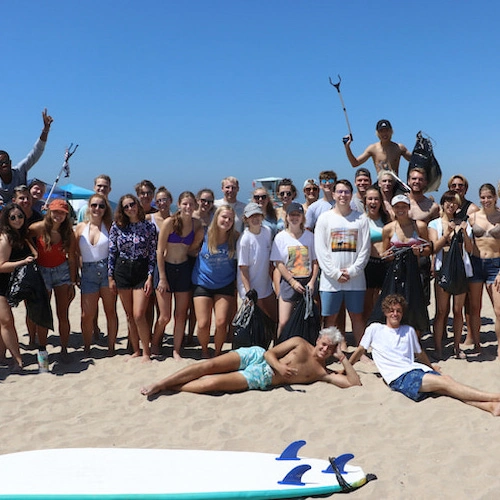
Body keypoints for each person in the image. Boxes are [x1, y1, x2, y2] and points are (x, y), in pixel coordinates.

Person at [350, 294, 500, 416]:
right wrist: (347, 367)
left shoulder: (408, 330)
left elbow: (420, 354)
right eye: (391, 310)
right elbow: (360, 350)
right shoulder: (375, 329)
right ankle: (494, 396)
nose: (395, 314)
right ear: (385, 312)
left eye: (398, 311)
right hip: (400, 377)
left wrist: (430, 367)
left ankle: (491, 407)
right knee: (446, 382)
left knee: (447, 388)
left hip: (415, 369)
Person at [140, 327, 361, 396]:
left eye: (330, 348)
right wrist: (280, 367)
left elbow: (354, 383)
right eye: (323, 344)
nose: (324, 349)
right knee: (208, 365)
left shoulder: (322, 372)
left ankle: (173, 386)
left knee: (212, 383)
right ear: (318, 339)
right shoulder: (300, 343)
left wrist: (343, 358)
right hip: (258, 356)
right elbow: (269, 354)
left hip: (262, 378)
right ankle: (161, 383)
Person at [314, 180, 371, 345]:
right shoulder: (325, 218)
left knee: (357, 316)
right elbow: (321, 250)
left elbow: (365, 249)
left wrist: (353, 271)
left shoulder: (361, 219)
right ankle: (327, 351)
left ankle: (361, 354)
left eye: (346, 192)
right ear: (333, 194)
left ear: (351, 194)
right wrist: (335, 273)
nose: (342, 195)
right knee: (329, 318)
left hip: (356, 280)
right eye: (339, 192)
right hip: (330, 281)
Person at [152, 191, 203, 360]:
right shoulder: (169, 222)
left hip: (183, 269)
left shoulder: (197, 225)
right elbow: (159, 251)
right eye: (185, 204)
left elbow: (193, 248)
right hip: (165, 268)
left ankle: (176, 349)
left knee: (181, 314)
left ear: (195, 205)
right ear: (179, 205)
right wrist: (162, 277)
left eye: (191, 204)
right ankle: (155, 342)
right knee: (164, 316)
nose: (188, 207)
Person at [108, 194, 157, 361]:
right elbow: (112, 252)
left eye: (132, 204)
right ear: (122, 210)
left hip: (141, 270)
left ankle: (146, 352)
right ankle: (135, 350)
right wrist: (110, 277)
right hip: (122, 270)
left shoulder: (149, 227)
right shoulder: (117, 227)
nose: (130, 208)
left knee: (139, 314)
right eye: (126, 206)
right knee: (129, 315)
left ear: (137, 205)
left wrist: (150, 277)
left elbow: (152, 254)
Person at [29, 199, 77, 360]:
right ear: (49, 211)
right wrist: (33, 253)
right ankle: (43, 352)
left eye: (62, 213)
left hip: (62, 272)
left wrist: (72, 281)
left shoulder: (68, 232)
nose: (59, 215)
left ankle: (64, 351)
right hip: (42, 272)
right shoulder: (39, 227)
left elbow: (71, 258)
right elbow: (23, 238)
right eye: (56, 211)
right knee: (43, 314)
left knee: (62, 314)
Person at [428, 191, 473, 360]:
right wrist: (447, 233)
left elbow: (469, 249)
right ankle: (438, 348)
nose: (450, 205)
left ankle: (456, 346)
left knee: (457, 310)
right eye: (447, 202)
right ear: (442, 204)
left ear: (458, 206)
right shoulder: (434, 224)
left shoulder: (464, 224)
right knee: (441, 311)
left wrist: (464, 232)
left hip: (460, 271)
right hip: (442, 270)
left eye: (454, 202)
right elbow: (434, 247)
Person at [380, 194, 431, 334]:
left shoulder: (420, 225)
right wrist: (389, 256)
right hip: (395, 274)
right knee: (393, 305)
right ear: (393, 209)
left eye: (403, 206)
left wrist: (419, 251)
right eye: (397, 207)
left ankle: (416, 344)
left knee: (415, 306)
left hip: (415, 272)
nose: (400, 209)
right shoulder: (388, 229)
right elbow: (384, 254)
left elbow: (429, 249)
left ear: (408, 207)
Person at [191, 205, 239, 357]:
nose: (227, 221)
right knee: (203, 324)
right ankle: (205, 351)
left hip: (225, 283)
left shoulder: (235, 237)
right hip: (203, 282)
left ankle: (217, 353)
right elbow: (191, 250)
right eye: (224, 217)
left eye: (230, 219)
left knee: (221, 322)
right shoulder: (203, 233)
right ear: (216, 217)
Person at [74, 194, 118, 355]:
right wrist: (75, 274)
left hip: (107, 272)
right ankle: (87, 346)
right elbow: (74, 252)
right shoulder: (80, 227)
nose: (97, 209)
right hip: (88, 273)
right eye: (94, 205)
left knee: (110, 311)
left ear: (106, 209)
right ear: (89, 207)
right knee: (87, 315)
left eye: (101, 206)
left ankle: (111, 347)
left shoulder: (110, 226)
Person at [271, 203, 318, 337]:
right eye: (292, 215)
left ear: (303, 217)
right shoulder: (280, 237)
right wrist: (292, 282)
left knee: (307, 319)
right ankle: (279, 347)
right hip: (288, 282)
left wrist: (312, 282)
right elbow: (279, 263)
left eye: (298, 215)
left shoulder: (310, 237)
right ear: (286, 217)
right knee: (284, 321)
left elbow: (315, 261)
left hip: (307, 282)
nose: (295, 218)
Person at [0, 203, 37, 371]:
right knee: (7, 321)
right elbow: (1, 266)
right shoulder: (5, 237)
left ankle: (2, 357)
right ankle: (18, 361)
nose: (17, 220)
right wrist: (22, 262)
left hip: (11, 284)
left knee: (3, 322)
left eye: (20, 216)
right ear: (7, 219)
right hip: (1, 284)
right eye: (13, 217)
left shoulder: (20, 235)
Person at [468, 184, 500, 357]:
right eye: (483, 197)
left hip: (496, 265)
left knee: (498, 310)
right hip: (475, 264)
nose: (486, 200)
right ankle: (477, 344)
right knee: (475, 308)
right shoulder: (472, 217)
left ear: (495, 197)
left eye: (489, 197)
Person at [0, 109, 53, 201]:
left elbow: (36, 152)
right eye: (0, 163)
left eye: (6, 162)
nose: (4, 164)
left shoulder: (19, 170)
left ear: (11, 163)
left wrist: (45, 130)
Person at [237, 203, 277, 323]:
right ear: (246, 219)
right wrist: (249, 292)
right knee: (258, 322)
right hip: (251, 288)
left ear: (262, 216)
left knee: (275, 317)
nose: (255, 219)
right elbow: (243, 269)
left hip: (266, 286)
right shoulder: (244, 239)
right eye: (251, 216)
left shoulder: (267, 231)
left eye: (257, 215)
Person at [343, 119, 412, 176]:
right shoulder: (372, 148)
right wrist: (347, 147)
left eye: (387, 130)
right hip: (380, 183)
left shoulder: (399, 148)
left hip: (395, 182)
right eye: (381, 131)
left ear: (391, 131)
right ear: (377, 133)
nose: (384, 134)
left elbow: (415, 159)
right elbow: (355, 163)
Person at [363, 185, 390, 323]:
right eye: (370, 199)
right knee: (368, 304)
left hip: (386, 263)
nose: (373, 202)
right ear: (365, 201)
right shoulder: (362, 220)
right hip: (369, 263)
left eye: (376, 199)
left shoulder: (387, 219)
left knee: (384, 302)